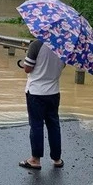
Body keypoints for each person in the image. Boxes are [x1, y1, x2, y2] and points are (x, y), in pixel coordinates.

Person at [18, 39, 66, 170]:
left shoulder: (37, 44)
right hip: (54, 92)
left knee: (36, 125)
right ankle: (57, 159)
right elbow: (62, 66)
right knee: (54, 125)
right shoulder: (63, 46)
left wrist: (24, 63)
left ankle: (35, 159)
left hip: (36, 92)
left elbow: (28, 68)